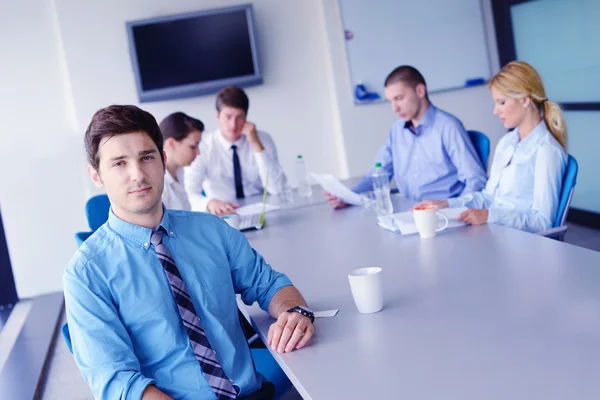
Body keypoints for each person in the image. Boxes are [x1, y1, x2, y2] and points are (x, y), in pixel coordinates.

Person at [64, 105, 314, 400]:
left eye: (147, 157)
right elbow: (117, 383)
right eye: (119, 163)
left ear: (163, 159)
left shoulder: (213, 231)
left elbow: (269, 283)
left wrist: (295, 311)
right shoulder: (85, 273)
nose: (138, 174)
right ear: (97, 176)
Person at [413, 61, 568, 233]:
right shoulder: (507, 142)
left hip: (519, 241)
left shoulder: (547, 151)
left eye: (501, 102)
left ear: (524, 100)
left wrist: (489, 216)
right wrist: (446, 203)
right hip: (493, 231)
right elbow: (487, 197)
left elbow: (542, 222)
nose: (495, 111)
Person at [325, 65, 487, 209]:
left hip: (442, 213)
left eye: (399, 98)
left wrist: (454, 209)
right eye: (390, 101)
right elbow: (376, 176)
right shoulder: (396, 131)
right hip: (409, 211)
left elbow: (476, 181)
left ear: (420, 91)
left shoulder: (448, 126)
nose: (394, 108)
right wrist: (347, 196)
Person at [185, 85, 288, 217]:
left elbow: (277, 188)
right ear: (217, 116)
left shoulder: (262, 139)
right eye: (228, 116)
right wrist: (209, 203)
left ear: (246, 118)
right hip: (223, 215)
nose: (233, 124)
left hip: (262, 213)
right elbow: (190, 192)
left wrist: (256, 145)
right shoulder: (203, 146)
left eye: (239, 117)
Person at [159, 112, 203, 211]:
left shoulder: (181, 171)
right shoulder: (160, 187)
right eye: (193, 147)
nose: (198, 152)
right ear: (172, 144)